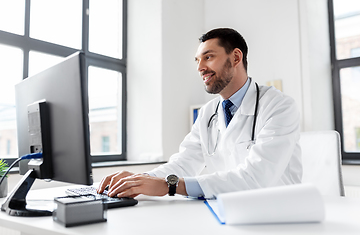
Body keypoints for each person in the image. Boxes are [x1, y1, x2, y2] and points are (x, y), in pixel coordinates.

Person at [97, 28, 302, 199]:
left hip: (277, 215)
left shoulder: (279, 106)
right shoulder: (208, 113)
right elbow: (184, 163)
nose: (200, 68)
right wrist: (139, 180)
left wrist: (171, 186)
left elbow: (256, 177)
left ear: (236, 57)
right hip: (227, 211)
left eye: (208, 57)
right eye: (197, 60)